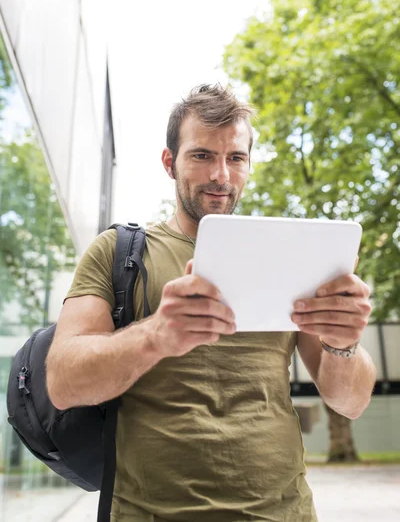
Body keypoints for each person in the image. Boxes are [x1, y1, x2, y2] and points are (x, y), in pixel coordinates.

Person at [46, 84, 376, 522]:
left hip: (283, 513)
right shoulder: (118, 251)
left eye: (236, 158)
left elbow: (350, 402)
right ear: (170, 163)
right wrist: (156, 335)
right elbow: (63, 383)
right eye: (202, 155)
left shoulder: (289, 254)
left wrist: (341, 343)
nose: (221, 174)